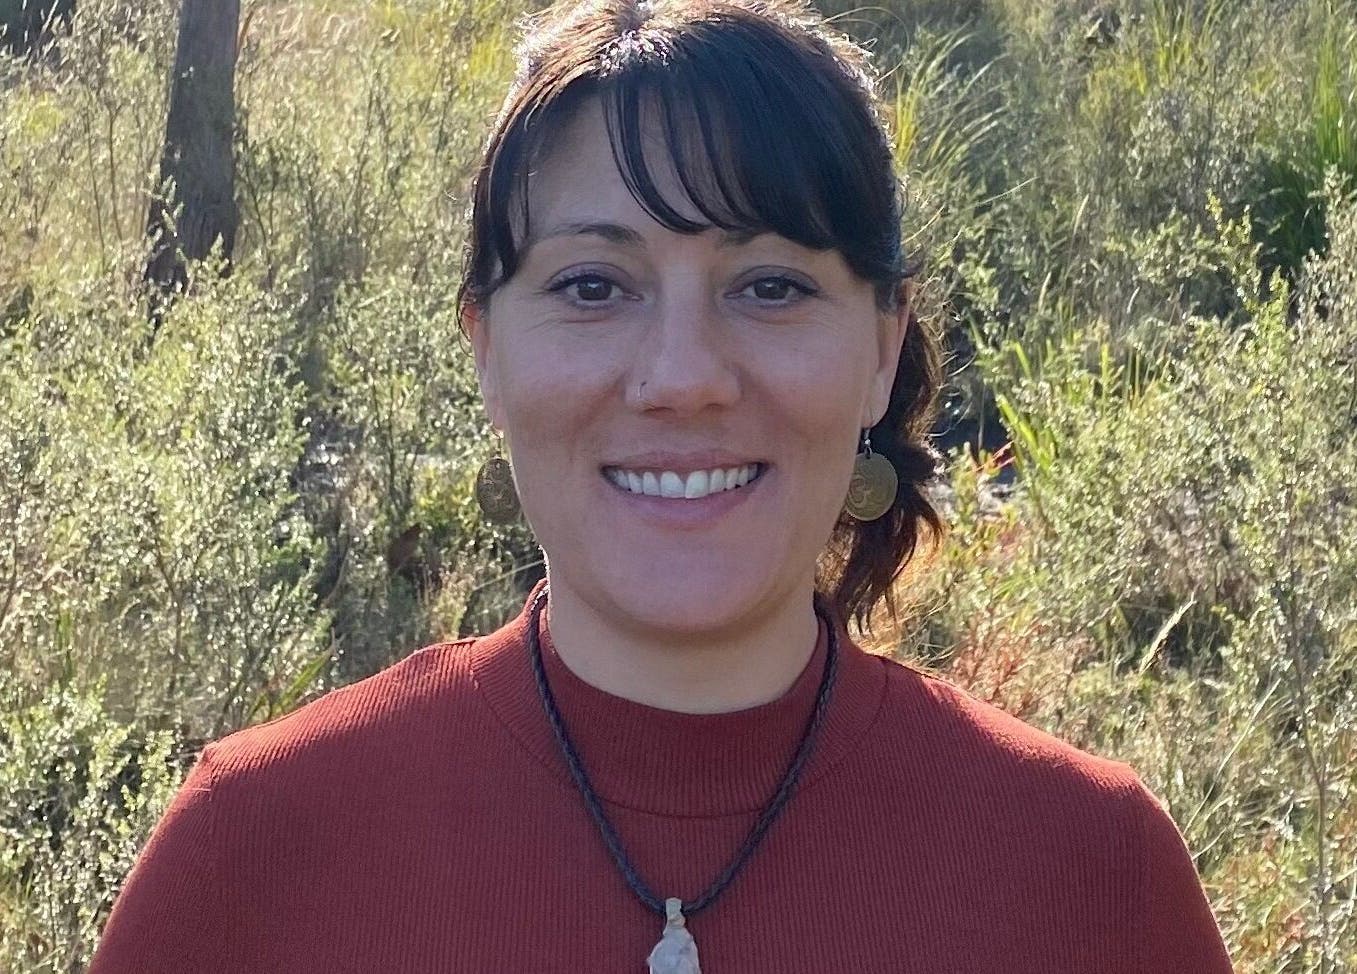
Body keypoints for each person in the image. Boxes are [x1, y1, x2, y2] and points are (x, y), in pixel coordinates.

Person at [89, 0, 1235, 970]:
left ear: (882, 348)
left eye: (772, 285)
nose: (682, 378)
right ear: (484, 346)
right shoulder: (255, 851)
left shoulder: (1094, 876)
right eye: (594, 286)